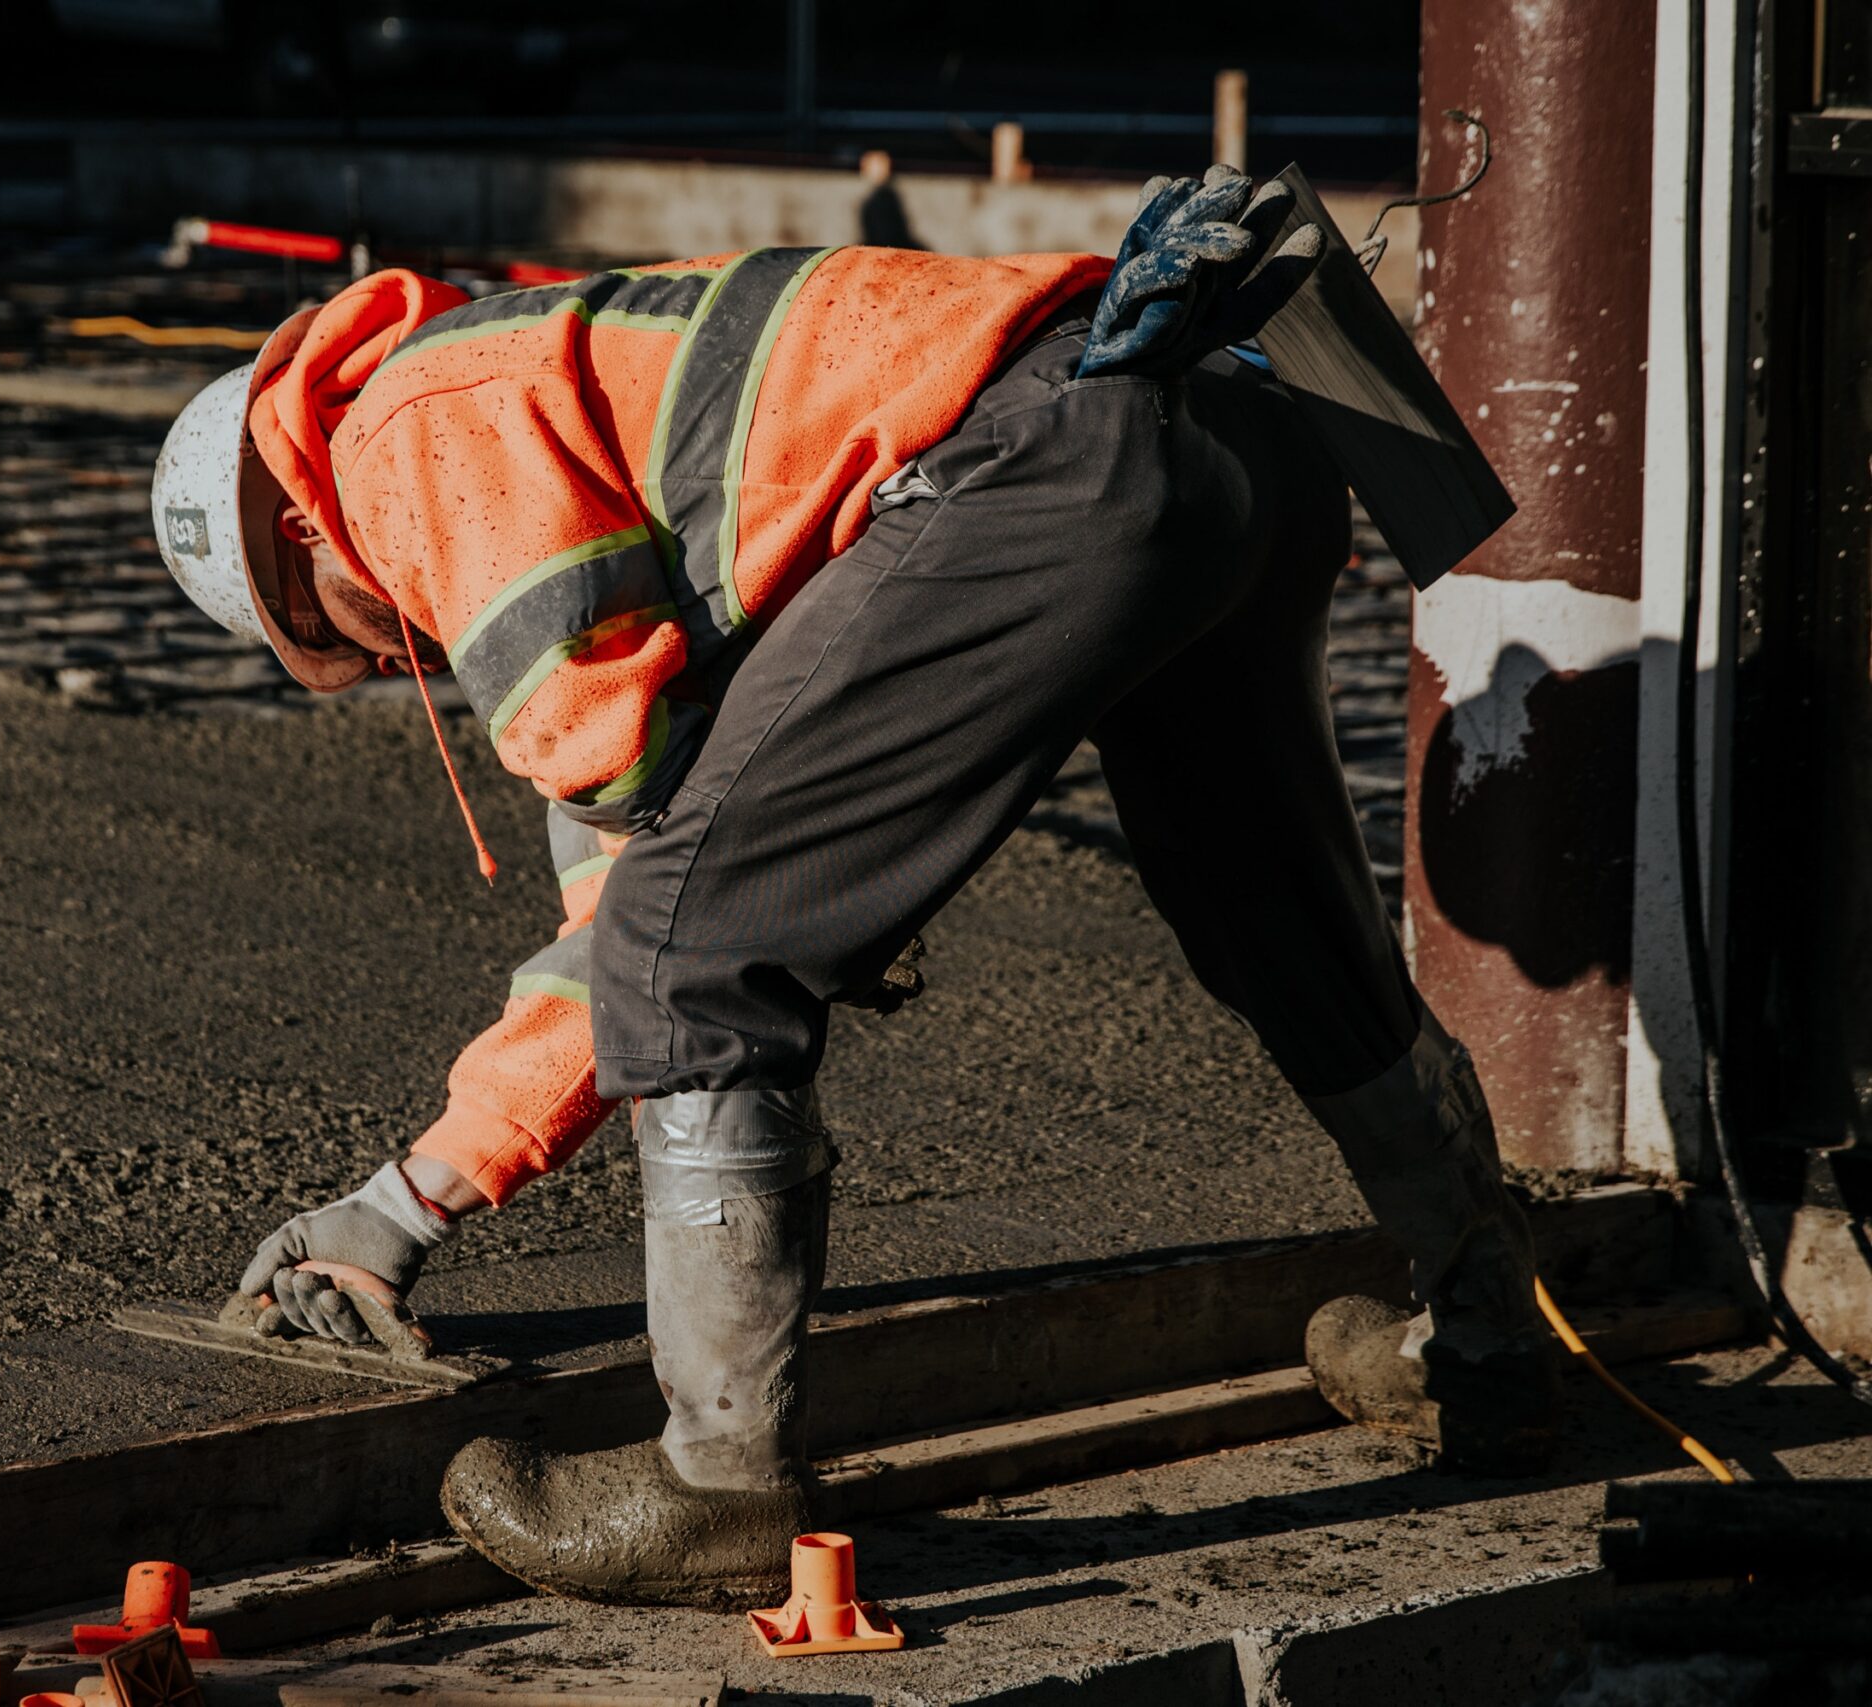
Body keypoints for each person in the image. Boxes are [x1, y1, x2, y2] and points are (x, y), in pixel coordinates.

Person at [146, 169, 1562, 1609]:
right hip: (1228, 428)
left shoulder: (410, 449)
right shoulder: (541, 376)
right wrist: (415, 1201)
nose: (394, 661)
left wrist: (404, 1203)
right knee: (1284, 925)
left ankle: (717, 1484)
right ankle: (1492, 1338)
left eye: (336, 637)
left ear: (298, 536)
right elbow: (660, 837)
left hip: (1053, 456)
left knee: (695, 958)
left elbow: (650, 902)